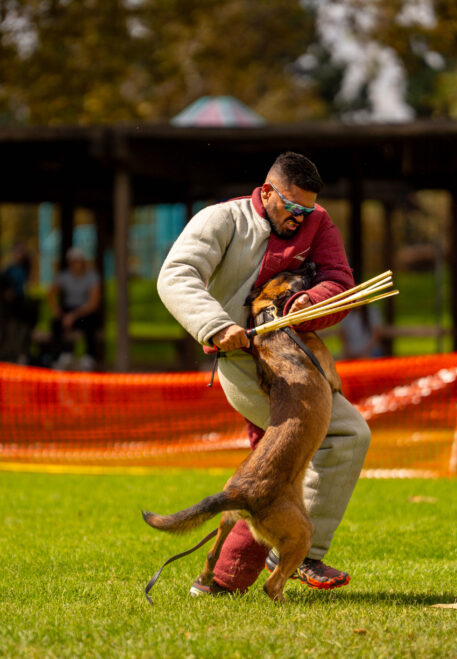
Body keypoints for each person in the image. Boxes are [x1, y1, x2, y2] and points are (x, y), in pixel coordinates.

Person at [157, 151, 371, 595]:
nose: (300, 219)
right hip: (238, 360)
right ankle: (298, 555)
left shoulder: (318, 221)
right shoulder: (222, 219)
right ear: (267, 191)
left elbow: (340, 282)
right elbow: (176, 275)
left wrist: (309, 304)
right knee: (343, 434)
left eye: (307, 211)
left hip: (292, 354)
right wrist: (217, 325)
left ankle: (224, 580)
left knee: (273, 465)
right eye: (291, 208)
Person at [47, 247, 102, 370]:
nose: (77, 265)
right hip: (68, 309)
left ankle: (89, 357)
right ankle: (62, 355)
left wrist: (74, 315)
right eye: (74, 262)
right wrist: (57, 310)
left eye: (79, 261)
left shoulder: (92, 276)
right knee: (56, 323)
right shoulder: (64, 276)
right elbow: (50, 294)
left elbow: (93, 303)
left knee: (91, 323)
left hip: (84, 310)